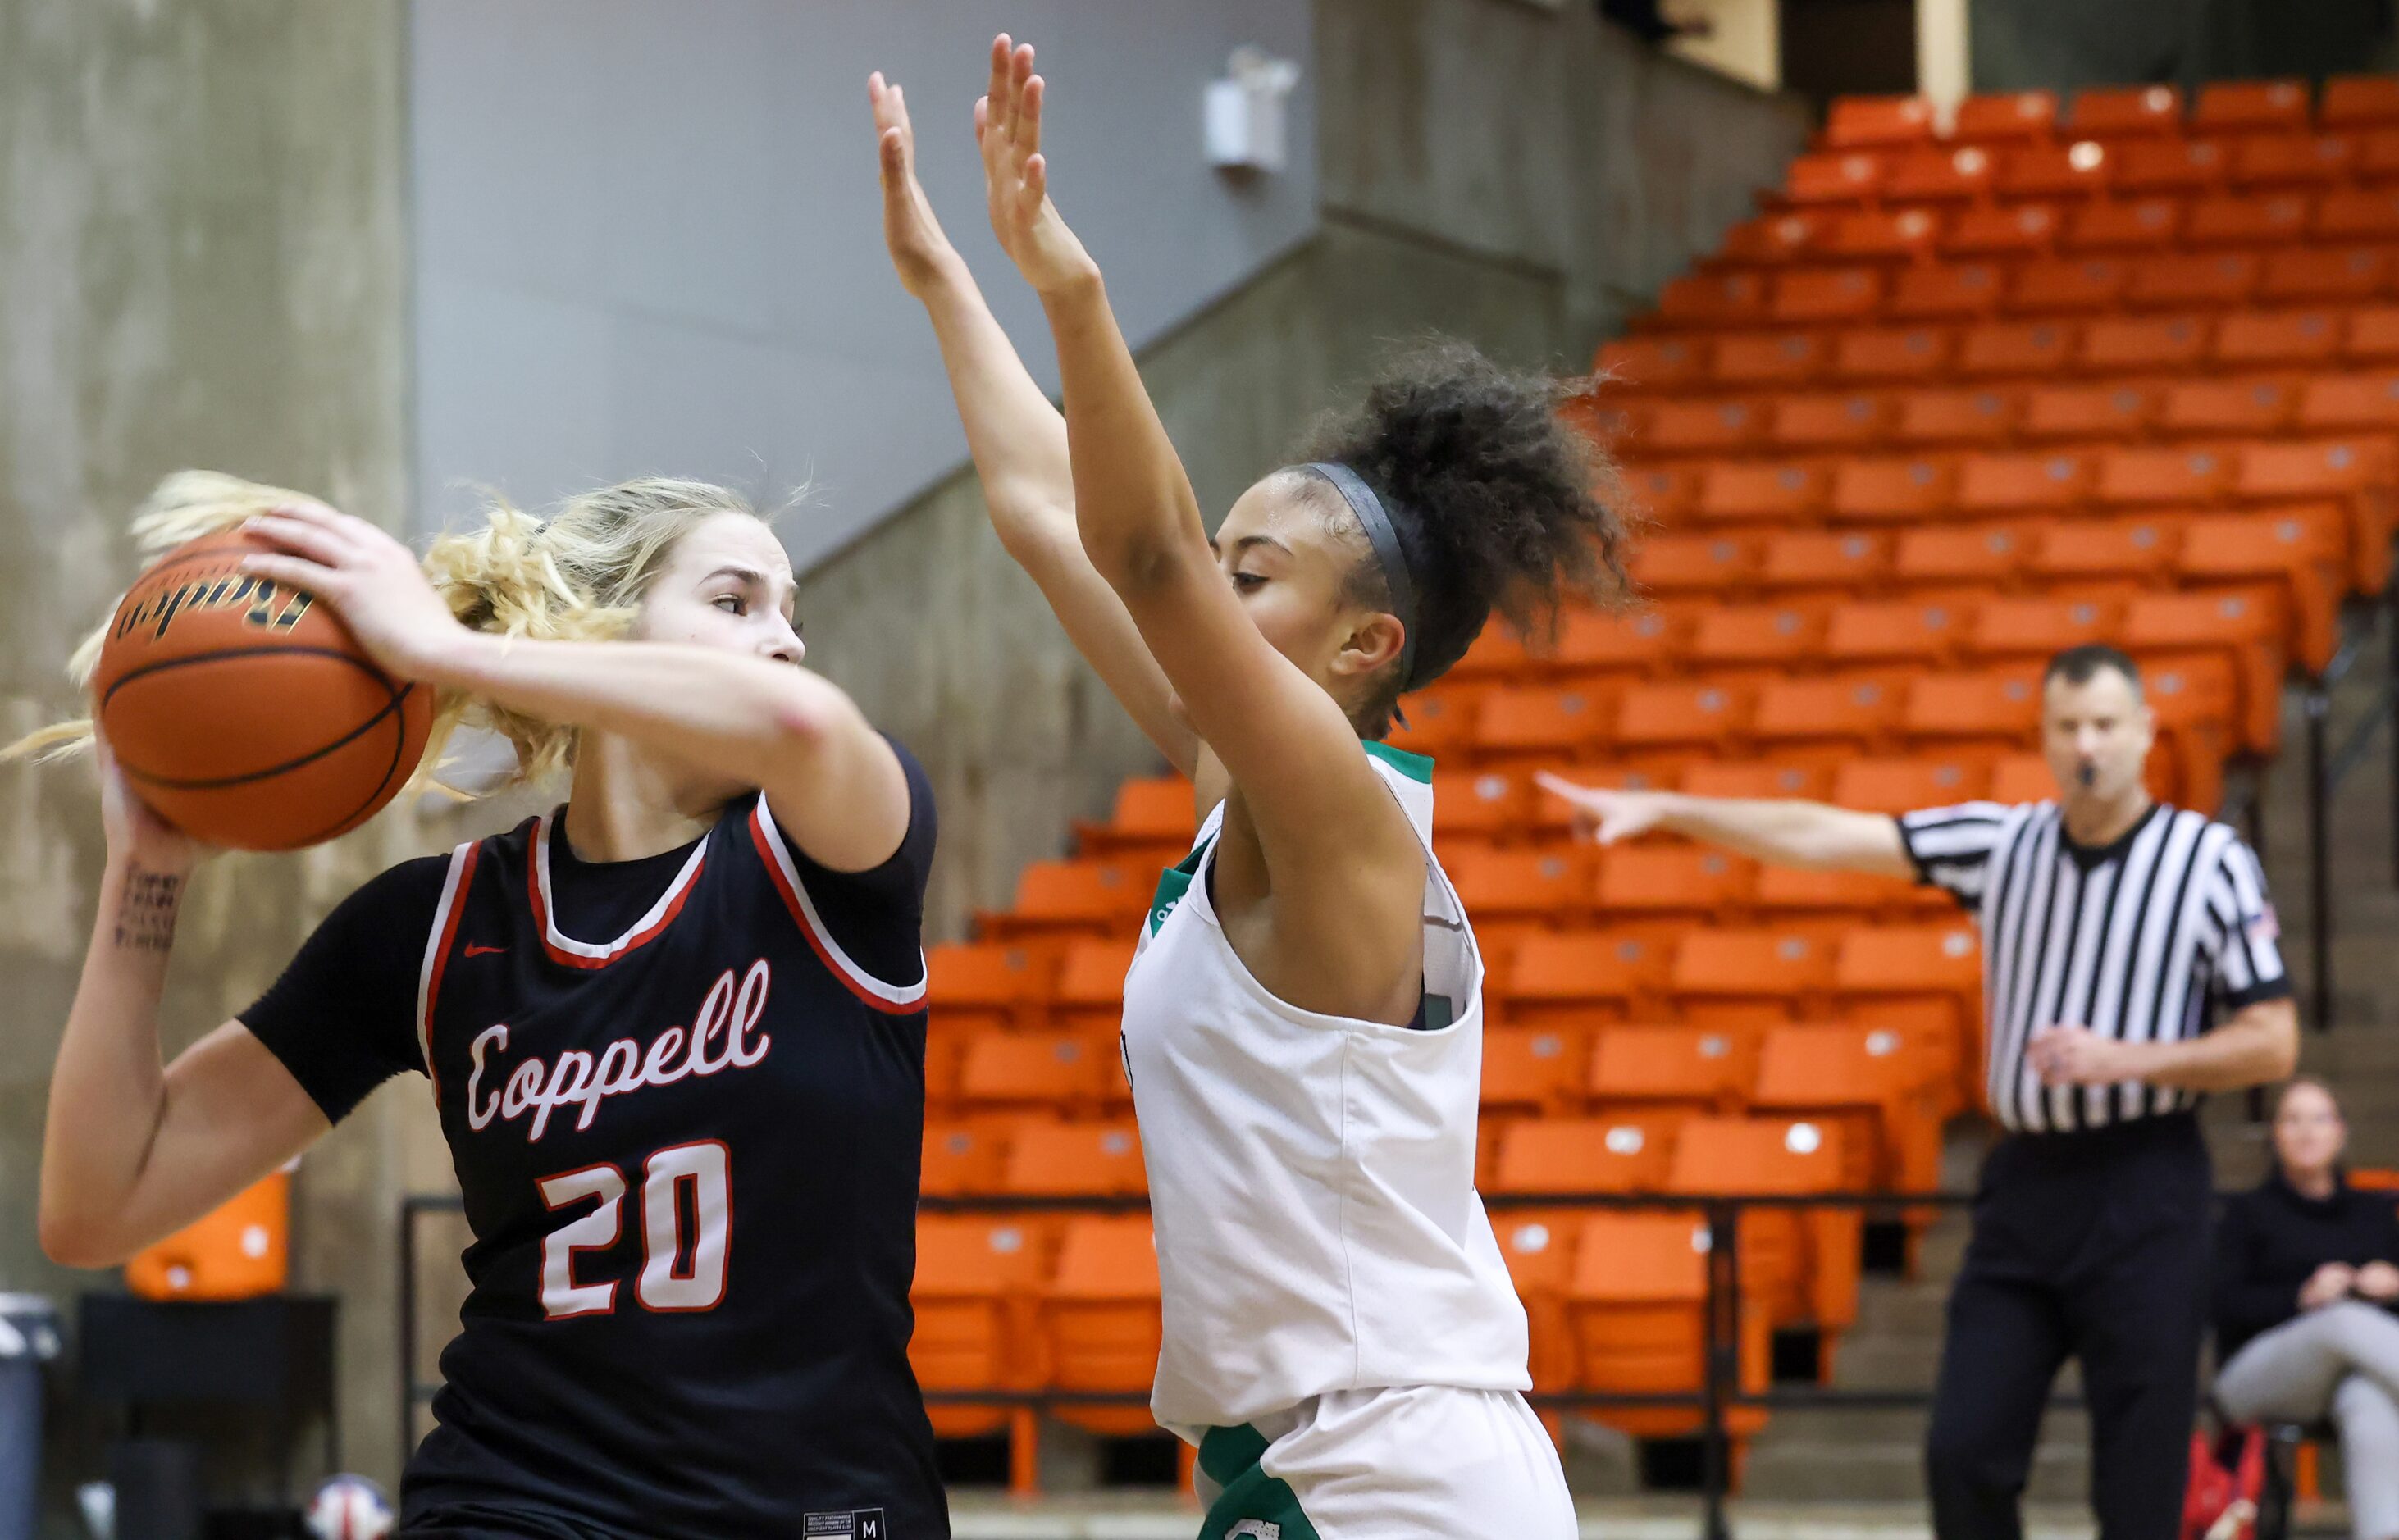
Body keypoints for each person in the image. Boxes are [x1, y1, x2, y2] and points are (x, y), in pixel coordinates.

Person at [871, 39, 1630, 1538]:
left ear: (1367, 644)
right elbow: (1051, 513)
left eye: (1253, 576)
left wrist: (1069, 284)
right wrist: (943, 276)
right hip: (1306, 1464)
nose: (1210, 595)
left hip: (1407, 1468)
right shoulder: (1251, 786)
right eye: (1219, 564)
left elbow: (1143, 554)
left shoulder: (1349, 815)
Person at [26, 472, 944, 1539]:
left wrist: (444, 650)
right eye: (735, 602)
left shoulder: (836, 856)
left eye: (793, 611)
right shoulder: (438, 924)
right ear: (592, 632)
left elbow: (806, 722)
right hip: (518, 1496)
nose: (785, 639)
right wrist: (146, 873)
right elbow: (98, 1205)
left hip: (809, 1506)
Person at [1543, 643, 2299, 1540]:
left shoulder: (2206, 861)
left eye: (2105, 723)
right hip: (2026, 1186)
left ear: (2144, 733)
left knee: (2138, 1486)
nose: (2087, 743)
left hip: (2147, 1186)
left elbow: (2272, 1043)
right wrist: (1667, 808)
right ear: (2045, 738)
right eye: (2068, 726)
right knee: (1963, 1451)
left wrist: (2130, 1059)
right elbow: (1825, 835)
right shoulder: (2002, 844)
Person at [2214, 1077, 2399, 1540]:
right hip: (2257, 1375)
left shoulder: (2374, 1214)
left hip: (2351, 1375)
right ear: (2275, 1134)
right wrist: (2303, 1298)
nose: (2306, 1131)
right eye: (2292, 1119)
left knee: (2368, 1399)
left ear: (2340, 1131)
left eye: (2318, 1118)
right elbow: (2222, 1305)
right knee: (2342, 1319)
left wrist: (2394, 1287)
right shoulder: (2247, 1212)